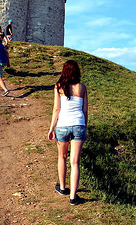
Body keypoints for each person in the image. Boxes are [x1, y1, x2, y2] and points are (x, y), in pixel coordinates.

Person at [47, 60, 89, 205]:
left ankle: (63, 188)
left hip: (63, 126)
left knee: (62, 157)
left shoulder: (59, 87)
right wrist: (84, 127)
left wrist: (51, 128)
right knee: (75, 162)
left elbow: (56, 109)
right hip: (79, 125)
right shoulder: (82, 88)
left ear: (64, 71)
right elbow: (85, 111)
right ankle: (73, 197)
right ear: (77, 72)